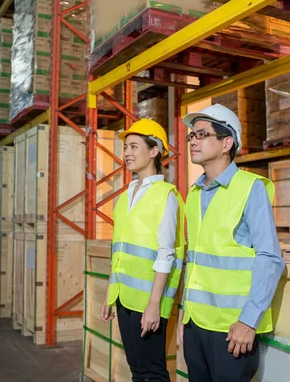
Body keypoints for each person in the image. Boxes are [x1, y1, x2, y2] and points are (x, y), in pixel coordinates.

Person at [178, 104, 285, 382]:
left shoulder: (251, 188)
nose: (193, 141)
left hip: (233, 330)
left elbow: (270, 258)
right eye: (191, 136)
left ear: (227, 143)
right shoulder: (193, 193)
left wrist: (248, 321)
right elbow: (197, 261)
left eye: (202, 134)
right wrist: (184, 316)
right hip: (195, 325)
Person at [100, 118, 185, 382]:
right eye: (126, 147)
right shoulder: (125, 195)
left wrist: (153, 305)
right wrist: (109, 293)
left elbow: (166, 253)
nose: (127, 153)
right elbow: (120, 252)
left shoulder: (166, 195)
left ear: (154, 150)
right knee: (137, 369)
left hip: (149, 300)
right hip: (124, 298)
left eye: (135, 146)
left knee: (153, 371)